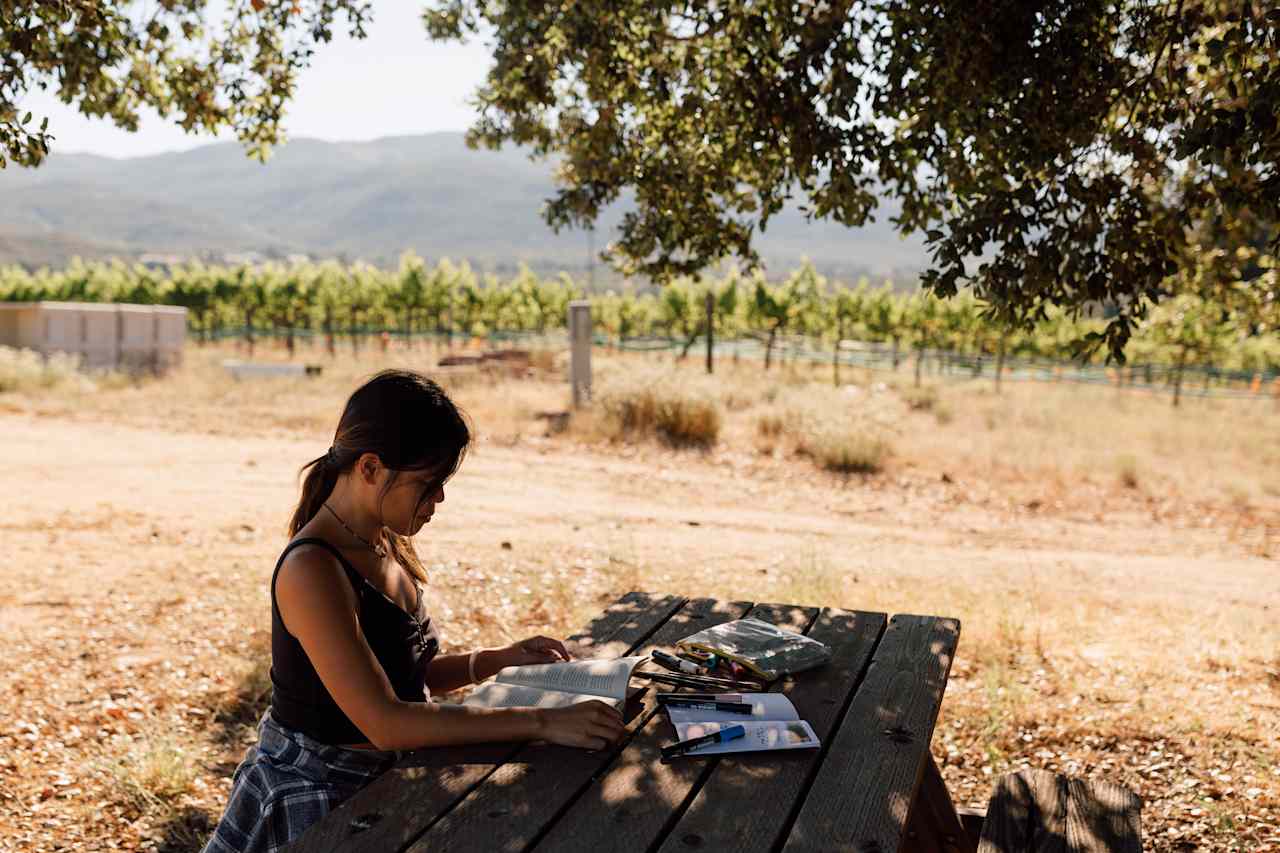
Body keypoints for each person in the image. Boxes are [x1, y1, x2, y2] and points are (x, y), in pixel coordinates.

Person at [202, 370, 625, 853]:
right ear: (369, 468)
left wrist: (495, 661)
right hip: (322, 798)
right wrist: (543, 721)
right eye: (428, 482)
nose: (439, 498)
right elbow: (386, 722)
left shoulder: (379, 539)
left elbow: (405, 678)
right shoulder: (312, 570)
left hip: (385, 778)